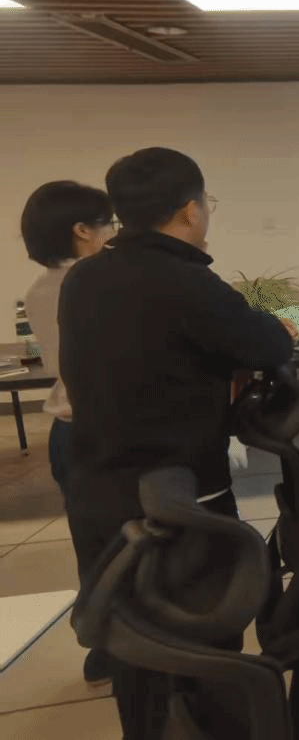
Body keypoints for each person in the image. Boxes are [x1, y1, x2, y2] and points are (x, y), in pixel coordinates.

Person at [58, 147, 299, 739]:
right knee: (204, 651)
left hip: (98, 496)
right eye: (205, 204)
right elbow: (269, 343)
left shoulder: (83, 278)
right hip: (182, 504)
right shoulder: (188, 280)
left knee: (134, 649)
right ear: (191, 210)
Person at [19, 180, 117, 686]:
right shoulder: (96, 282)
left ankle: (102, 647)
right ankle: (135, 648)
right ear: (82, 230)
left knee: (92, 542)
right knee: (130, 541)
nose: (115, 233)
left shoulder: (38, 289)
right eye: (109, 224)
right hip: (105, 430)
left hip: (66, 432)